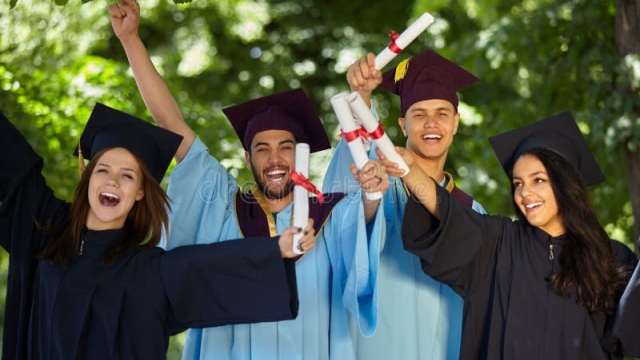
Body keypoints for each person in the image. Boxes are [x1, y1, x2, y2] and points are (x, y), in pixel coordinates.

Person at [109, 1, 388, 359]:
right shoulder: (226, 211)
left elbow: (362, 223)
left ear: (301, 154)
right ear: (247, 158)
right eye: (262, 149)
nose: (274, 159)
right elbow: (172, 126)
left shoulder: (329, 215)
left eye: (286, 147)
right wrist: (131, 40)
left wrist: (371, 192)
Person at [0, 103, 318, 360]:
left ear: (140, 192)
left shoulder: (148, 271)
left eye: (127, 176)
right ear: (87, 178)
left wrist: (275, 248)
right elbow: (15, 165)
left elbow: (205, 265)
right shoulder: (49, 230)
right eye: (103, 170)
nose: (112, 181)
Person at [389, 111, 638, 359]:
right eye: (518, 183)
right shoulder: (498, 243)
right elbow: (450, 215)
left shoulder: (611, 258)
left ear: (567, 185)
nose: (525, 193)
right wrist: (411, 170)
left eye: (538, 180)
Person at [322, 50, 486, 359]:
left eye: (442, 113)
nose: (431, 123)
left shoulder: (473, 212)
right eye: (419, 114)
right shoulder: (378, 181)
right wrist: (362, 100)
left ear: (456, 123)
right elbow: (339, 210)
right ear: (403, 123)